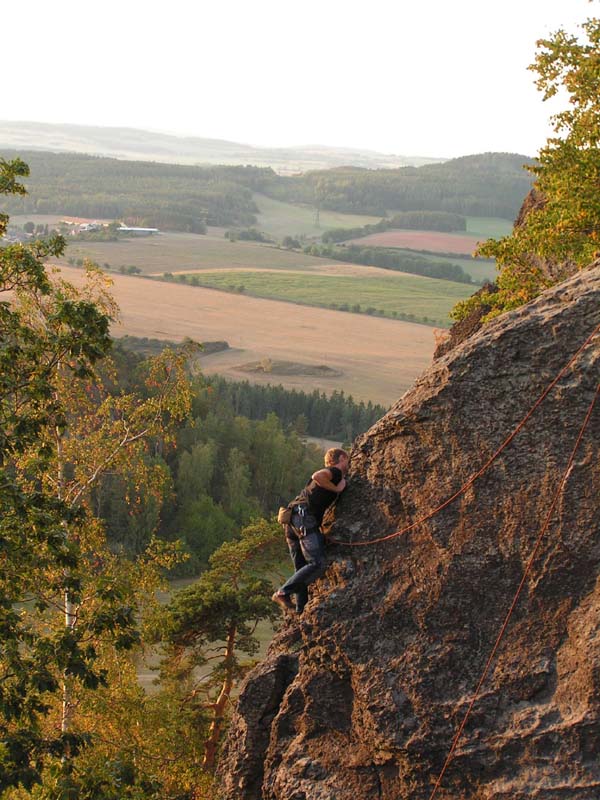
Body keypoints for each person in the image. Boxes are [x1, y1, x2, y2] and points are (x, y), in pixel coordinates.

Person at [272, 447, 349, 614]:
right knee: (318, 563)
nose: (348, 464)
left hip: (291, 520)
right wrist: (337, 489)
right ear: (341, 458)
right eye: (347, 461)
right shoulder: (336, 472)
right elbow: (317, 476)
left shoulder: (332, 473)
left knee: (301, 568)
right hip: (303, 518)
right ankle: (283, 592)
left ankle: (300, 610)